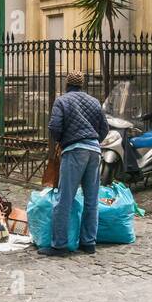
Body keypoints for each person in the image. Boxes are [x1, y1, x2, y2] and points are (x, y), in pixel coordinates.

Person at [42, 70, 108, 257]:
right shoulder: (94, 101)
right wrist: (93, 140)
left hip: (74, 151)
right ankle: (89, 243)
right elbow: (104, 128)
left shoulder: (61, 101)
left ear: (66, 84)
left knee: (64, 199)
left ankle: (59, 246)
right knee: (91, 199)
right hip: (94, 151)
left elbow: (54, 127)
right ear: (82, 84)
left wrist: (63, 142)